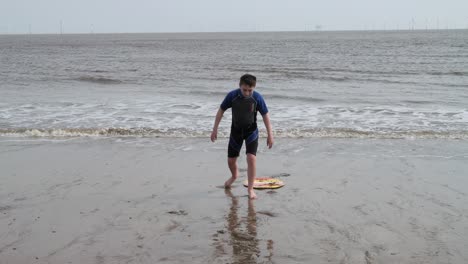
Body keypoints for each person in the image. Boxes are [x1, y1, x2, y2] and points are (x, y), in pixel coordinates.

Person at [211, 74, 273, 199]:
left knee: (251, 158)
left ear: (254, 88)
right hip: (236, 132)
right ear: (239, 86)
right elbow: (221, 111)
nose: (247, 93)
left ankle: (250, 189)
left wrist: (270, 134)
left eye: (250, 90)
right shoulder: (232, 96)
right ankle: (234, 176)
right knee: (231, 161)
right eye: (244, 89)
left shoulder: (257, 97)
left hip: (251, 132)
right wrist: (215, 129)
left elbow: (265, 115)